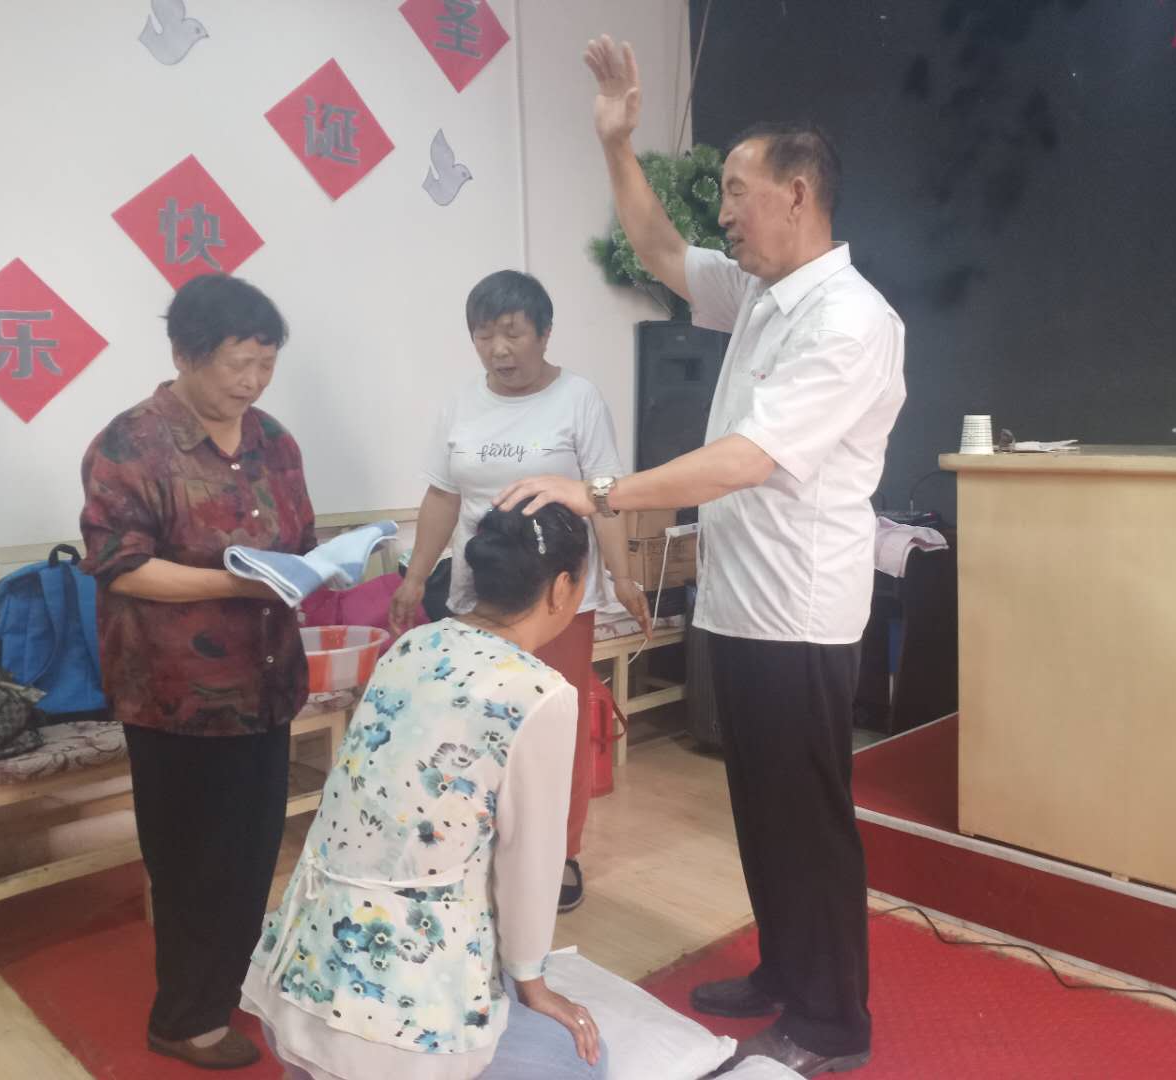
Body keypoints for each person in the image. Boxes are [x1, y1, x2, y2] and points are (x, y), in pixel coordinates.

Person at [497, 35, 907, 1078]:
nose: (721, 211)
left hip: (802, 615)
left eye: (734, 189)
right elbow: (660, 251)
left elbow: (747, 459)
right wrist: (617, 144)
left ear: (798, 193)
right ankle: (783, 971)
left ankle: (832, 1020)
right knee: (762, 813)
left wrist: (602, 494)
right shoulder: (766, 292)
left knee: (809, 823)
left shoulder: (852, 321)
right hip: (740, 603)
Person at [242, 505, 608, 1080]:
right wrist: (532, 981)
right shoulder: (539, 693)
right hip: (398, 1024)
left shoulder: (413, 645)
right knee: (582, 1059)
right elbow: (532, 863)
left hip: (295, 975)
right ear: (564, 588)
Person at [79, 273, 313, 1070]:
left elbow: (299, 543)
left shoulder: (273, 441)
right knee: (189, 863)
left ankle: (222, 987)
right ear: (184, 354)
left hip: (268, 684)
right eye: (236, 365)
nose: (251, 383)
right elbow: (119, 568)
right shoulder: (130, 444)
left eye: (265, 365)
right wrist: (236, 582)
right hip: (175, 696)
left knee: (250, 854)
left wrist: (322, 569)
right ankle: (181, 1019)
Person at [389, 270, 649, 913]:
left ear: (544, 332)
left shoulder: (579, 399)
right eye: (484, 336)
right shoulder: (459, 404)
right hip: (480, 597)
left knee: (552, 727)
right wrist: (417, 576)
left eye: (512, 334)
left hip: (557, 600)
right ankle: (483, 847)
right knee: (479, 727)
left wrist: (621, 576)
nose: (498, 350)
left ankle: (558, 854)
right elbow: (442, 496)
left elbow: (607, 497)